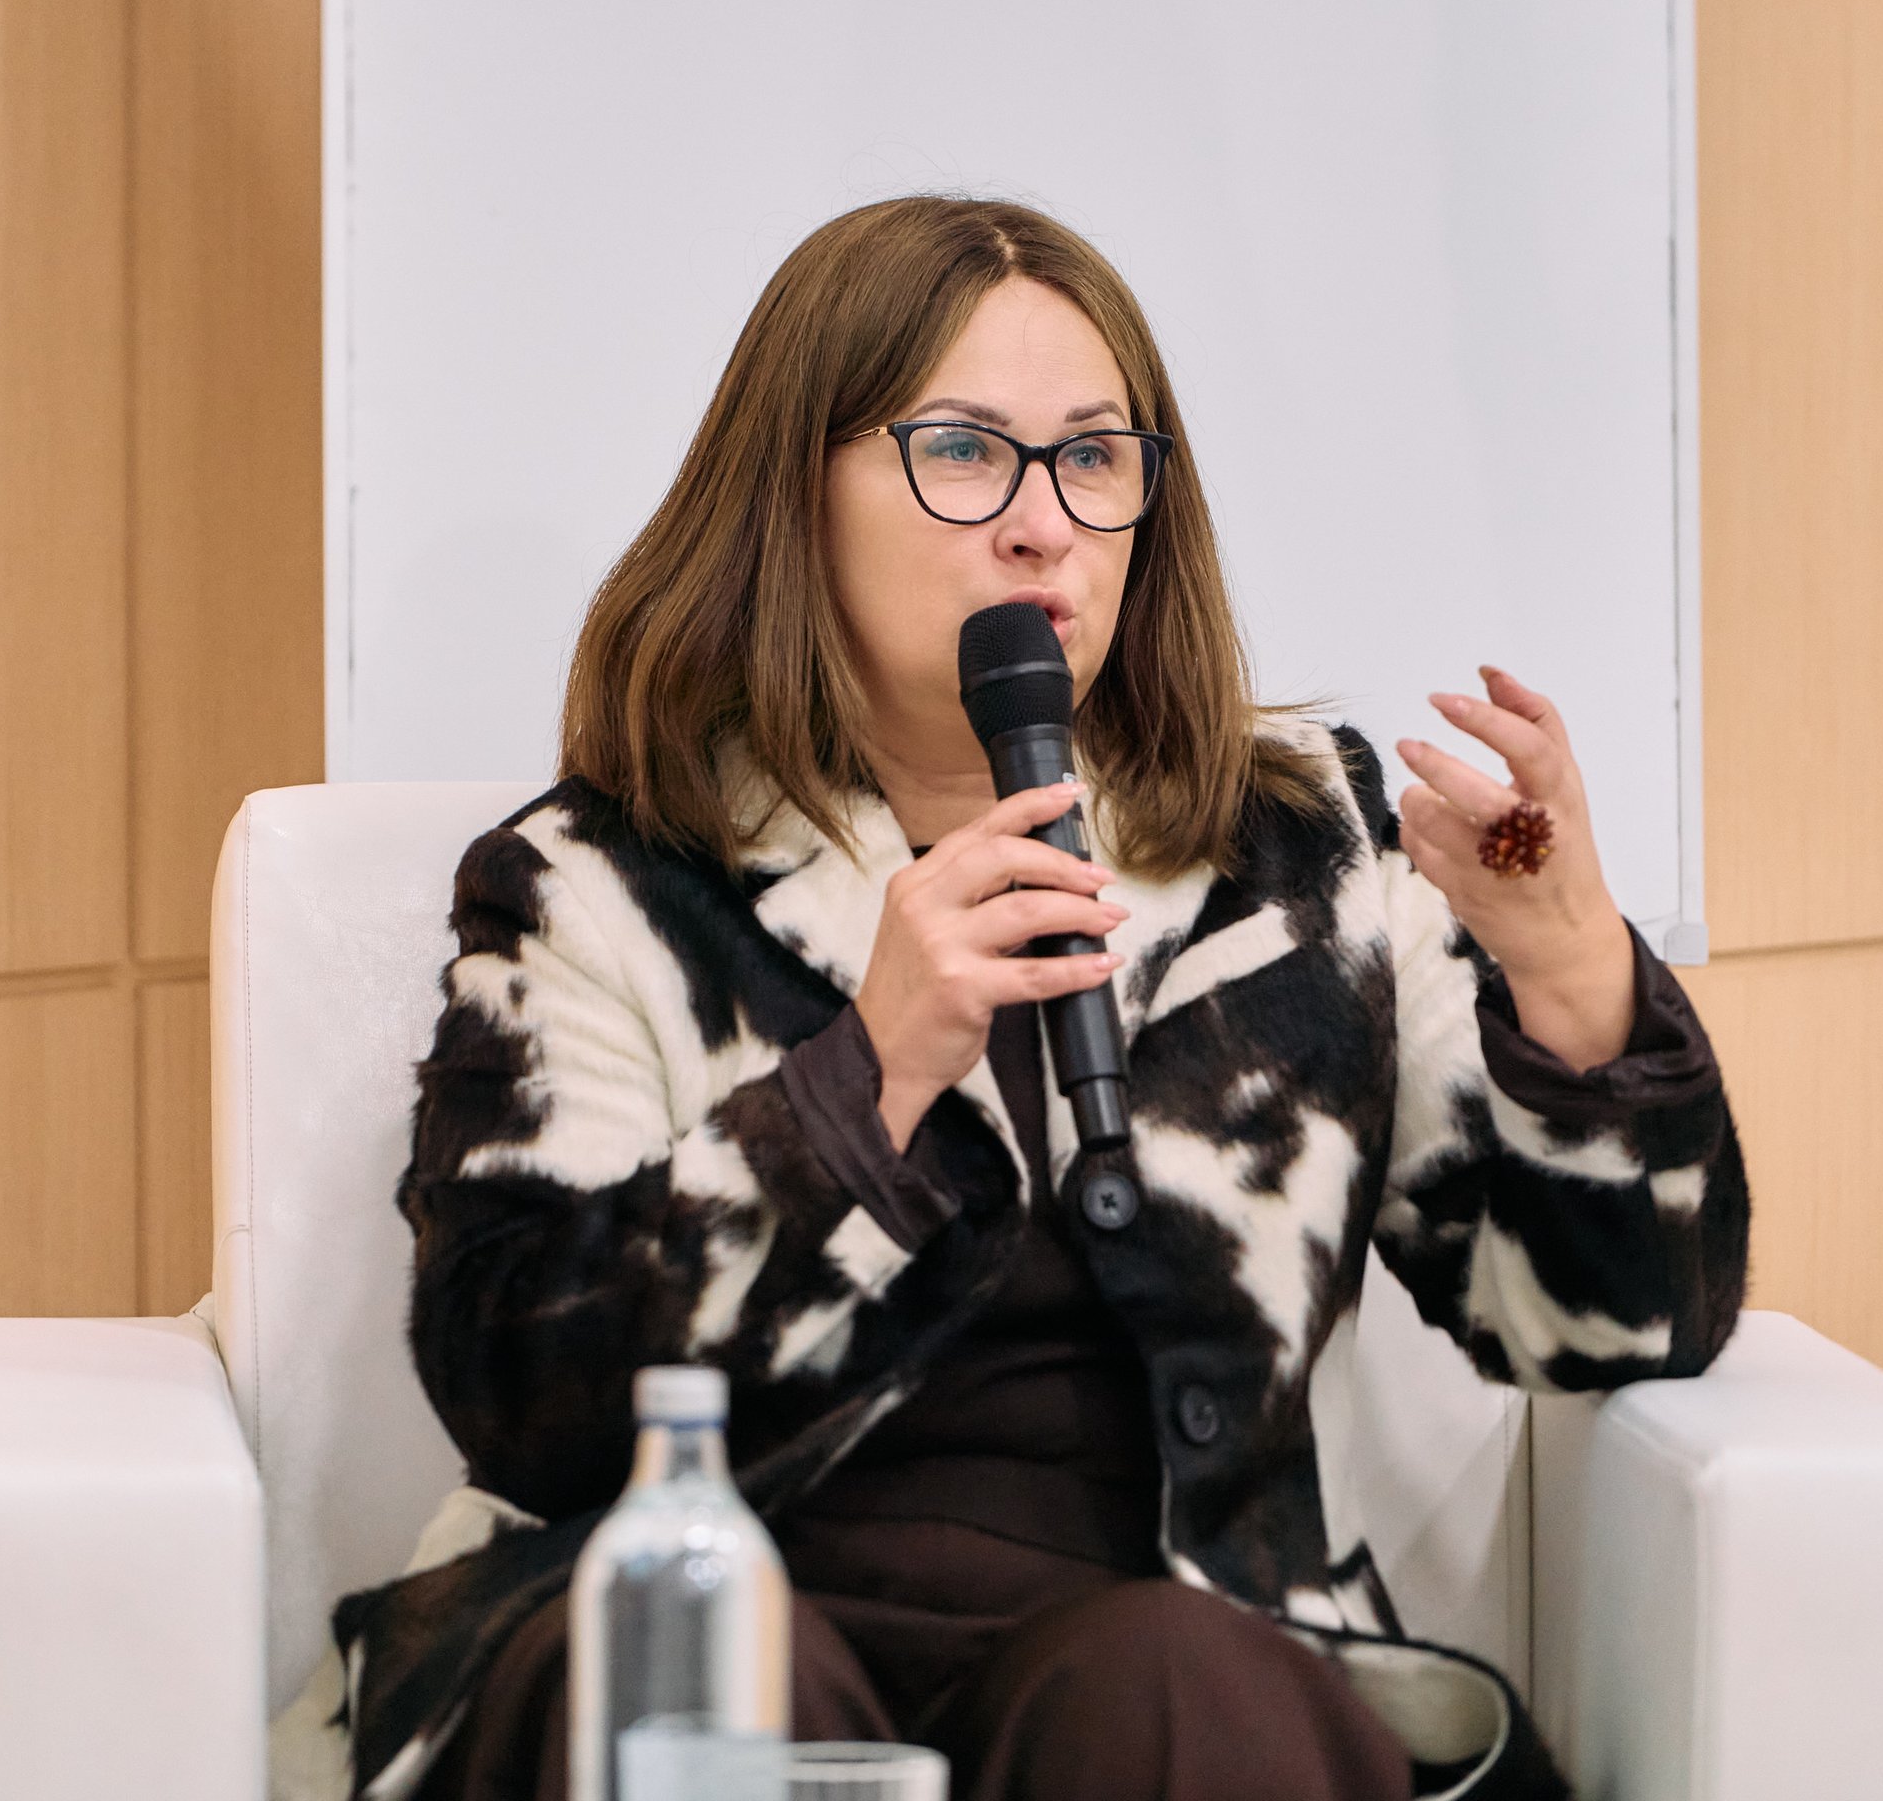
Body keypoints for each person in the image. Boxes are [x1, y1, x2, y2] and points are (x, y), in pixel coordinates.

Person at [334, 197, 1748, 1801]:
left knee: (1169, 1683)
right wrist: (859, 1085)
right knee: (723, 1668)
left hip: (1150, 1678)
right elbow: (517, 1392)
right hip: (720, 1614)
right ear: (793, 495)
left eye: (1092, 457)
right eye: (962, 450)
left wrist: (1570, 972)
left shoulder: (1298, 856)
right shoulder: (601, 881)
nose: (1039, 524)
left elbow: (1620, 1328)